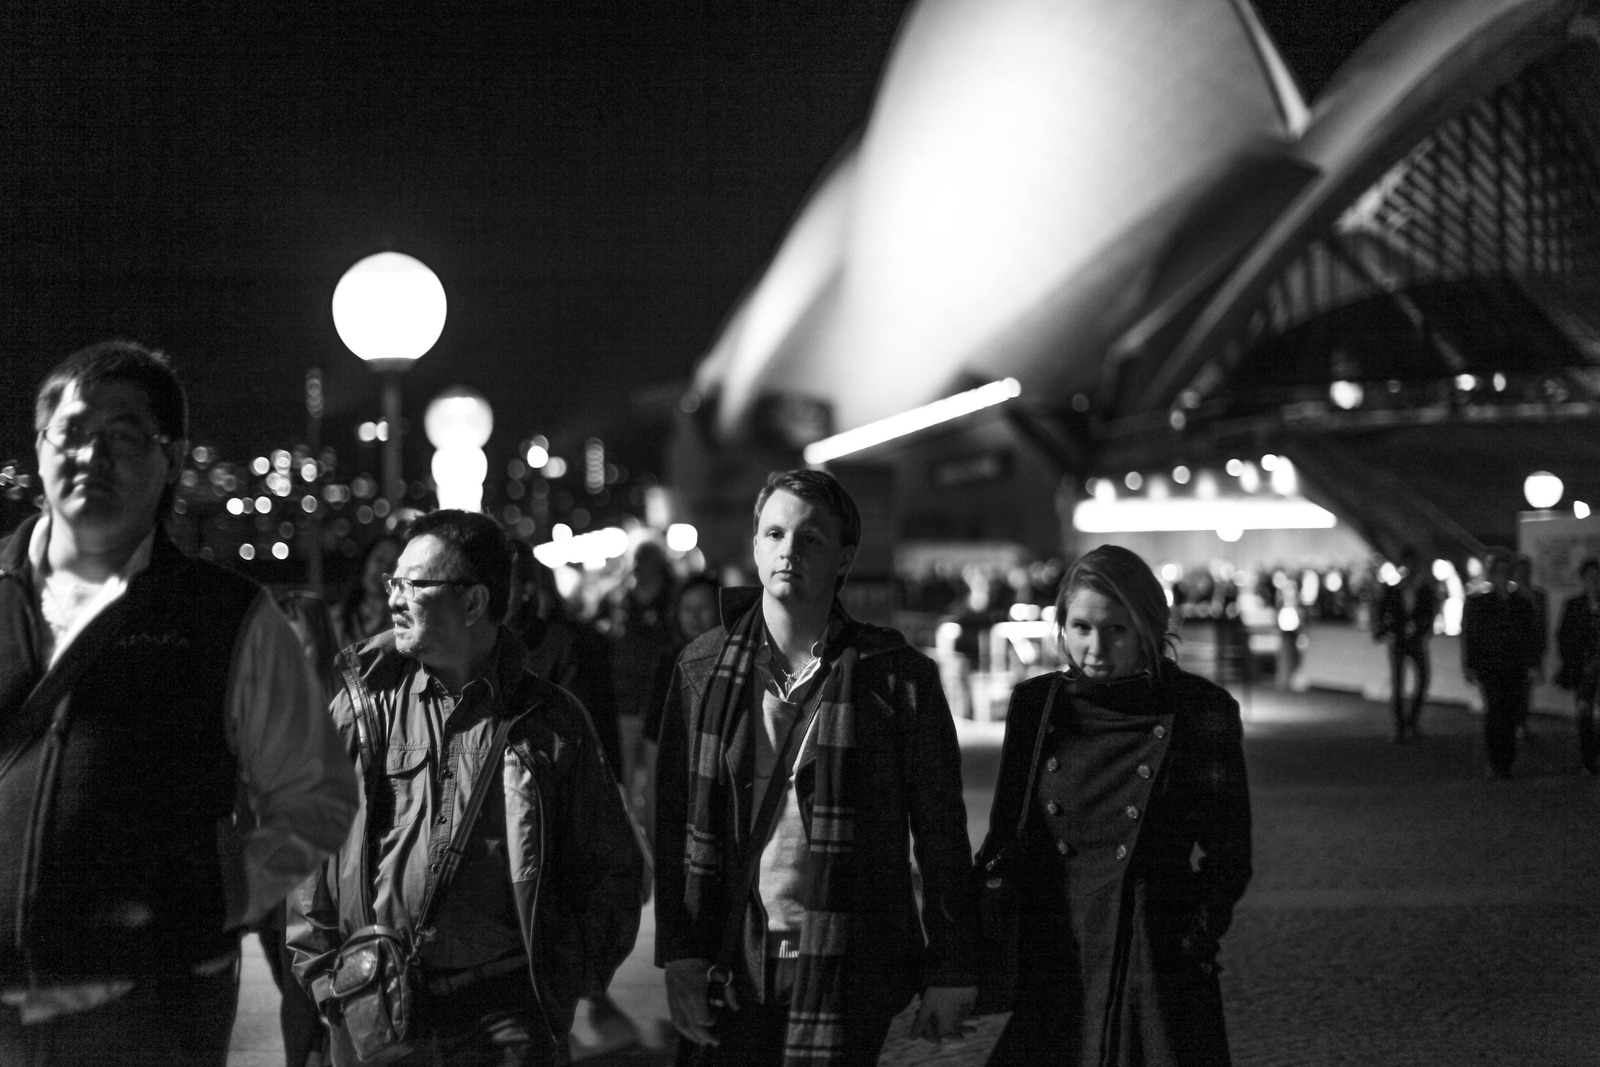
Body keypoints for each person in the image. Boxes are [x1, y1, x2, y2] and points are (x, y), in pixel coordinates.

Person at [0, 340, 359, 1067]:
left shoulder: (226, 615)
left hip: (148, 1012)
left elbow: (316, 796)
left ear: (172, 455)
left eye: (124, 436)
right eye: (70, 432)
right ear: (39, 450)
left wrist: (198, 911)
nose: (91, 456)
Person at [288, 509, 642, 1067]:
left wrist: (557, 982)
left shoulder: (550, 722)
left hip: (506, 1016)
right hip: (376, 1007)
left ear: (474, 602)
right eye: (392, 583)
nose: (394, 599)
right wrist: (328, 985)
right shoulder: (364, 708)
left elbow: (613, 872)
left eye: (413, 584)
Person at [654, 469, 977, 1066]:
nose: (788, 551)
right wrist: (680, 953)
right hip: (734, 957)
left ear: (844, 558)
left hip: (855, 959)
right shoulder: (701, 670)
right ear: (754, 547)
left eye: (810, 540)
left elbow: (940, 833)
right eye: (774, 534)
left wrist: (953, 966)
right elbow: (674, 821)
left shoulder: (896, 676)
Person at [985, 544, 1252, 1067]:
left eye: (1116, 630)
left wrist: (1191, 933)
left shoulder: (1200, 710)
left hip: (1150, 957)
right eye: (1081, 628)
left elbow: (1231, 850)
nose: (1095, 648)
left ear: (1150, 628)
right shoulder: (1037, 706)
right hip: (1058, 946)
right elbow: (1005, 834)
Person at [267, 592, 345, 1067]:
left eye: (302, 642)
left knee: (318, 978)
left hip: (330, 855)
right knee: (294, 977)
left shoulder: (346, 700)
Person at [605, 538, 679, 819]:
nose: (639, 568)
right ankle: (634, 827)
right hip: (627, 699)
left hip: (660, 697)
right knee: (627, 770)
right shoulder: (623, 599)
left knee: (658, 771)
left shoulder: (672, 600)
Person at [1461, 547, 1544, 779]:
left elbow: (1530, 636)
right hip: (1490, 666)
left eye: (1505, 572)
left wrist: (1532, 663)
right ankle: (1496, 759)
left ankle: (1505, 759)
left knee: (1509, 711)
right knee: (1495, 711)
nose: (1502, 576)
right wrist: (1470, 664)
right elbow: (1471, 636)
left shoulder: (1521, 603)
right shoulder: (1480, 603)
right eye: (1498, 572)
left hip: (1513, 665)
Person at [1373, 547, 1439, 743]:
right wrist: (1387, 630)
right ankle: (1401, 725)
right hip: (1400, 640)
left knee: (1421, 679)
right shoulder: (1394, 589)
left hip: (1415, 639)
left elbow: (1430, 611)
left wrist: (1422, 628)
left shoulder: (1423, 589)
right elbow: (1382, 611)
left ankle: (1411, 721)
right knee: (1399, 683)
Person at [1554, 557, 1600, 775]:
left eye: (1596, 576)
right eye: (1589, 577)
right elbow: (1563, 635)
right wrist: (1573, 660)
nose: (1593, 581)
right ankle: (1589, 761)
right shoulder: (1574, 605)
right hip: (1583, 671)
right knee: (1584, 716)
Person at [333, 534, 401, 648]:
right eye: (379, 560)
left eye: (392, 565)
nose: (383, 570)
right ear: (365, 562)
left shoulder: (401, 625)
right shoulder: (335, 619)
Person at [1511, 554, 1550, 739]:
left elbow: (1542, 624)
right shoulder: (1512, 597)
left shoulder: (1538, 596)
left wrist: (1542, 648)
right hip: (1516, 650)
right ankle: (1518, 723)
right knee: (1519, 689)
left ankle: (1520, 723)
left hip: (1531, 649)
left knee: (1525, 689)